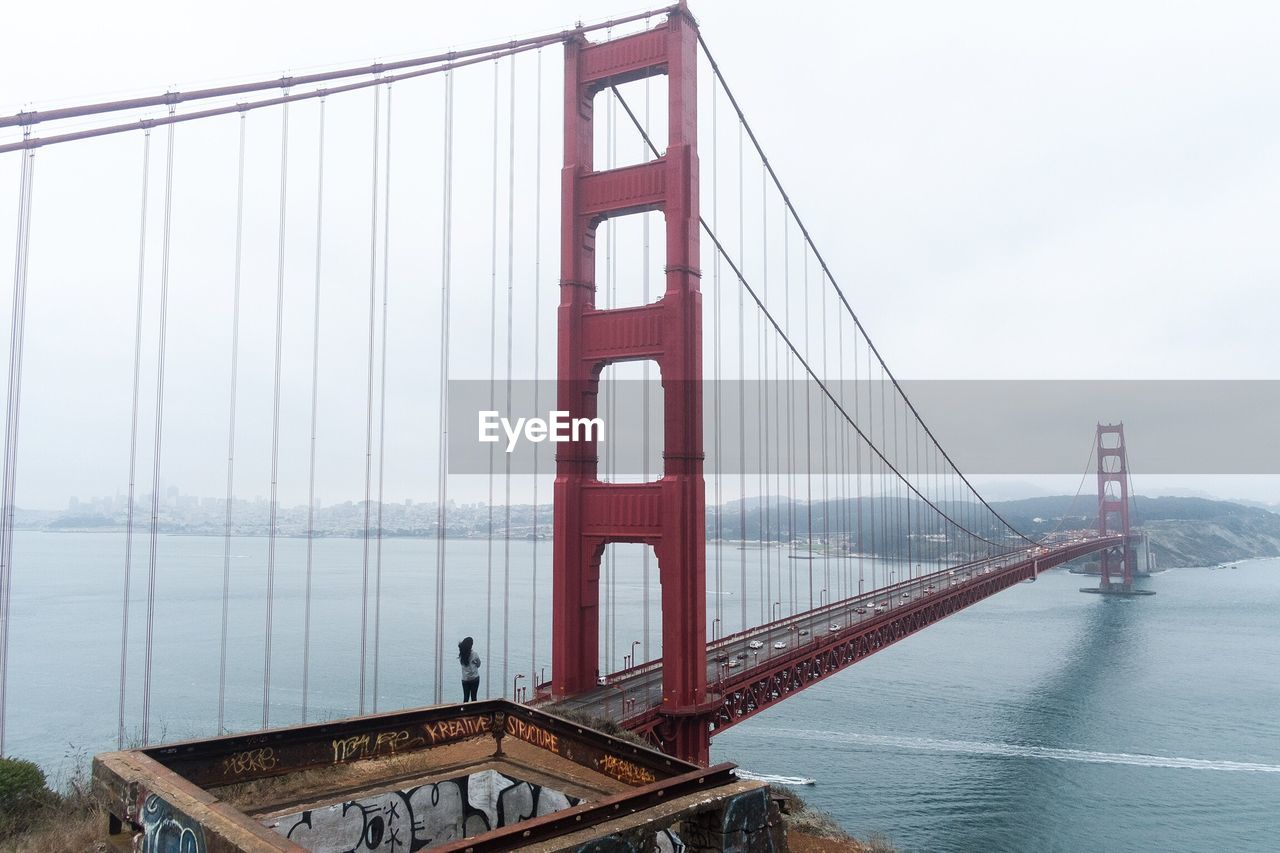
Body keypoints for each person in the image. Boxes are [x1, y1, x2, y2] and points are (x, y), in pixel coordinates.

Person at [458, 636, 481, 702]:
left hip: (465, 679)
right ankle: (474, 711)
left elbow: (463, 664)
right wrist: (474, 663)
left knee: (466, 698)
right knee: (474, 697)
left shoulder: (461, 655)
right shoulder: (474, 654)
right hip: (474, 678)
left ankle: (465, 711)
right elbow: (479, 664)